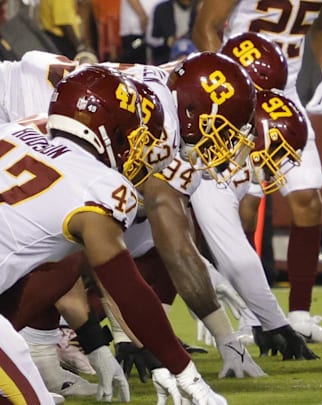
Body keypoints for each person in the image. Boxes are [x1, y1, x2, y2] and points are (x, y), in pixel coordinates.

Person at [0, 65, 224, 403]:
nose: (132, 148)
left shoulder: (18, 129)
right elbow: (127, 288)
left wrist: (97, 343)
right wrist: (183, 369)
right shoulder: (98, 186)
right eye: (128, 136)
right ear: (108, 131)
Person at [192, 0, 322, 343]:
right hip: (236, 95)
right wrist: (232, 87)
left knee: (308, 200)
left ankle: (300, 315)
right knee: (242, 211)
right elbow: (204, 28)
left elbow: (320, 25)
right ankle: (245, 316)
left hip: (284, 99)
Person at [148, 0, 195, 64]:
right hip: (166, 59)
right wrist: (167, 41)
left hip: (193, 56)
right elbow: (149, 39)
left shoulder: (198, 9)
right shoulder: (161, 9)